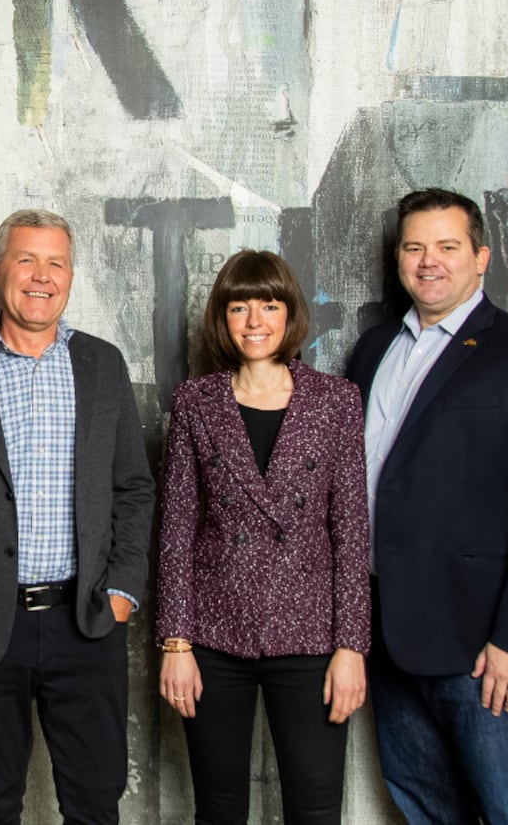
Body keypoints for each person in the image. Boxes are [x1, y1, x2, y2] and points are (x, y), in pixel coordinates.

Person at [345, 188, 508, 824]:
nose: (429, 261)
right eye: (415, 247)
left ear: (481, 258)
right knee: (424, 812)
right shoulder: (373, 351)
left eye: (447, 246)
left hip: (484, 649)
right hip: (389, 638)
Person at [0, 208, 154, 824]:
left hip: (87, 619)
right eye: (26, 260)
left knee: (95, 805)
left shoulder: (103, 366)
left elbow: (133, 487)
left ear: (69, 277)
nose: (42, 276)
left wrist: (122, 591)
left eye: (56, 263)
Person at [154, 250, 370, 824]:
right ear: (222, 318)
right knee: (219, 809)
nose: (254, 321)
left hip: (312, 637)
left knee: (315, 810)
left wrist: (352, 647)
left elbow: (352, 531)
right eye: (239, 307)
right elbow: (175, 530)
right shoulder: (195, 402)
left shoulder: (336, 401)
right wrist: (176, 644)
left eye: (269, 306)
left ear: (289, 313)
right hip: (213, 636)